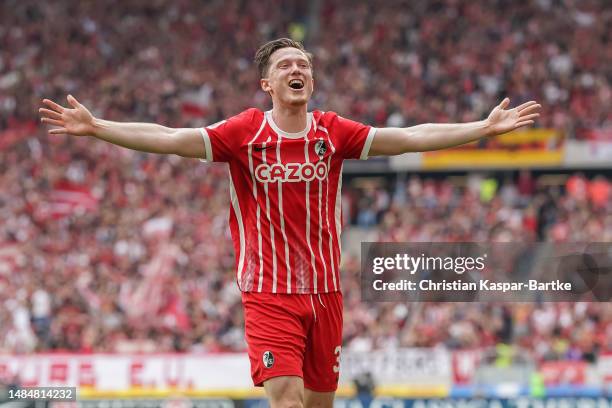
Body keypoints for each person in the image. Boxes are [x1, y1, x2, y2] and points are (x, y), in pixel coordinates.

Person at [39, 38, 540, 408]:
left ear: (311, 81)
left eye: (303, 64)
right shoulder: (244, 132)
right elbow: (169, 137)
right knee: (285, 400)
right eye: (285, 65)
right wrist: (97, 127)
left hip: (325, 293)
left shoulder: (332, 131)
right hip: (268, 291)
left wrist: (482, 127)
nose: (296, 69)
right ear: (268, 83)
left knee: (319, 404)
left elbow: (408, 137)